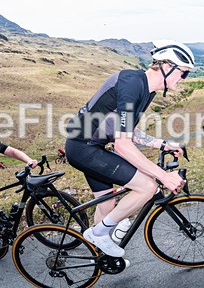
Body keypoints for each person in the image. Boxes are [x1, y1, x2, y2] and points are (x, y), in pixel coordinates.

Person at [64, 40, 192, 258]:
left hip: (92, 145)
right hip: (84, 148)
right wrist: (163, 176)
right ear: (167, 66)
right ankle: (99, 235)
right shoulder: (133, 84)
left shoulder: (147, 90)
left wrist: (162, 144)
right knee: (147, 187)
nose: (183, 79)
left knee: (107, 205)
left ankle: (97, 257)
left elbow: (127, 131)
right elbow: (122, 145)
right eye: (184, 73)